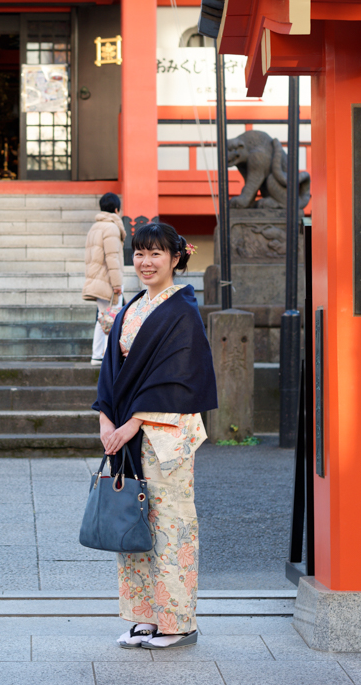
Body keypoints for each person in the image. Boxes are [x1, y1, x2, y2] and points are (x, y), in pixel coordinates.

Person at [93, 223, 217, 651]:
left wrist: (134, 420)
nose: (145, 262)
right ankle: (143, 617)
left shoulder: (182, 310)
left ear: (177, 258)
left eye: (156, 254)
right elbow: (112, 368)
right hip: (126, 433)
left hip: (166, 434)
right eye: (140, 253)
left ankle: (178, 622)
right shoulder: (133, 307)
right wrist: (106, 417)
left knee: (171, 525)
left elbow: (181, 376)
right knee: (133, 522)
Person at [81, 192, 124, 366]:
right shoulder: (111, 228)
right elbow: (112, 258)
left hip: (97, 280)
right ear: (116, 209)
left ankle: (97, 355)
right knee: (112, 319)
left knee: (103, 318)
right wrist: (117, 284)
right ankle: (108, 357)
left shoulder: (95, 228)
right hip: (107, 281)